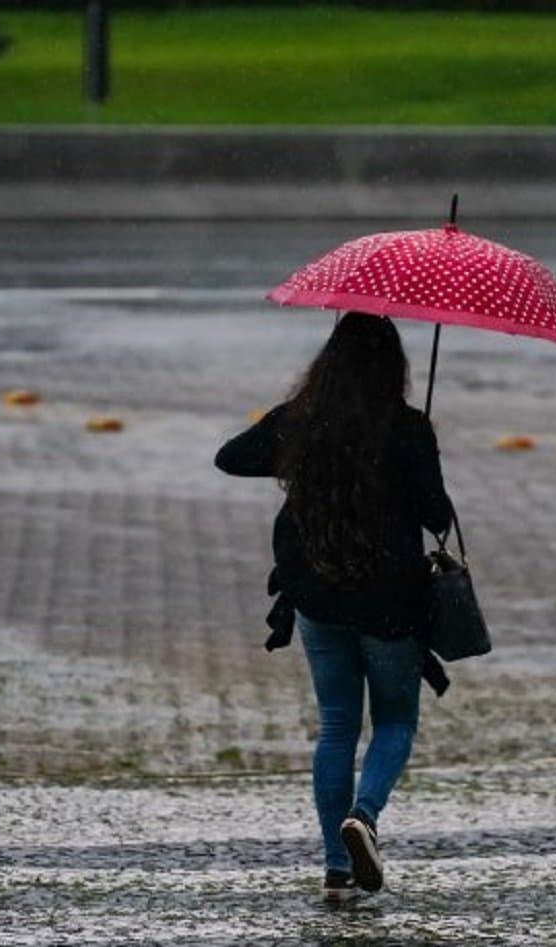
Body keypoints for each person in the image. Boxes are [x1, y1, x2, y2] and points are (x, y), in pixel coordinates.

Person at [214, 311, 454, 903]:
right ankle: (364, 817)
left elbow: (231, 457)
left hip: (318, 598)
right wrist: (418, 444)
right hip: (390, 605)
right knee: (395, 720)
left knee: (338, 726)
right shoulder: (407, 427)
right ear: (392, 366)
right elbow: (437, 517)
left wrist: (294, 442)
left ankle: (336, 870)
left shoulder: (301, 423)